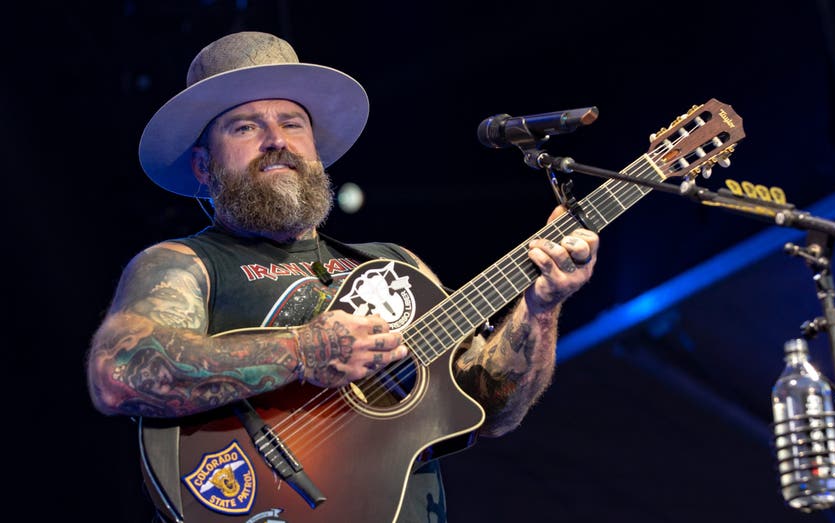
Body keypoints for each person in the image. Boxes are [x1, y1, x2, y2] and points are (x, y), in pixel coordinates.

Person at [86, 31, 599, 523]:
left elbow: (496, 409)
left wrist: (541, 305)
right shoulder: (183, 263)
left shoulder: (397, 265)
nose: (275, 141)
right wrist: (306, 351)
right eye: (244, 127)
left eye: (292, 123)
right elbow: (120, 373)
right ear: (203, 166)